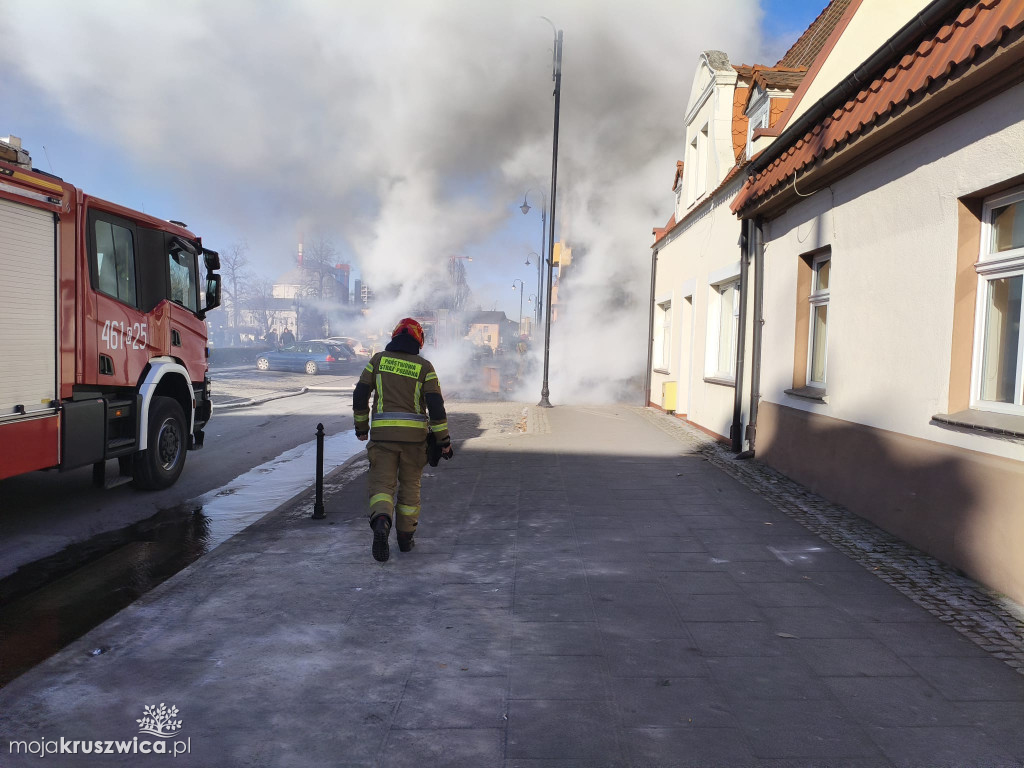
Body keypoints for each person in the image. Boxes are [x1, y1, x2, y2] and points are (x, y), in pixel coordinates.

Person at [353, 317, 452, 562]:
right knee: (409, 489)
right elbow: (436, 407)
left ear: (394, 336)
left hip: (383, 438)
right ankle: (406, 540)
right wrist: (444, 440)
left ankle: (382, 523)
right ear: (419, 341)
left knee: (382, 486)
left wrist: (361, 427)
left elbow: (360, 394)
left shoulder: (377, 360)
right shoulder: (424, 367)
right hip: (415, 441)